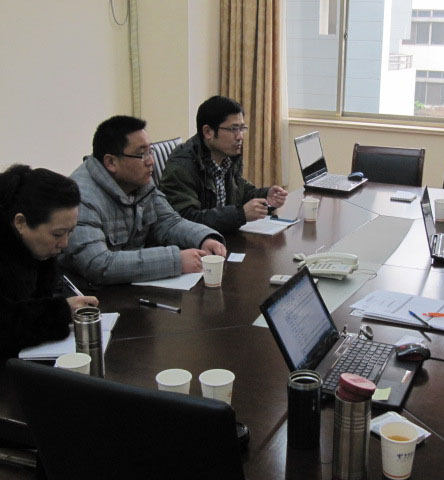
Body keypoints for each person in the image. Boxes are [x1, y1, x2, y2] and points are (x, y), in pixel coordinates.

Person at [59, 116, 227, 285]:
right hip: (91, 293)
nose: (151, 161)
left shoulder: (139, 182)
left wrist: (204, 238)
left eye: (150, 151)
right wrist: (176, 260)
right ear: (111, 162)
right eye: (141, 154)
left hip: (130, 287)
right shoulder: (81, 198)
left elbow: (168, 222)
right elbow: (98, 264)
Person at [0, 165, 98, 358]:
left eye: (70, 232)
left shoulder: (36, 251)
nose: (65, 243)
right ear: (20, 223)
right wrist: (61, 312)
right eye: (58, 234)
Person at [159, 95, 288, 233]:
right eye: (233, 129)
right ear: (208, 132)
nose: (240, 136)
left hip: (221, 237)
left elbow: (240, 191)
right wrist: (240, 214)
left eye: (242, 128)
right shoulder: (182, 167)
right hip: (197, 243)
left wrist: (265, 195)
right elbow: (187, 220)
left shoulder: (227, 157)